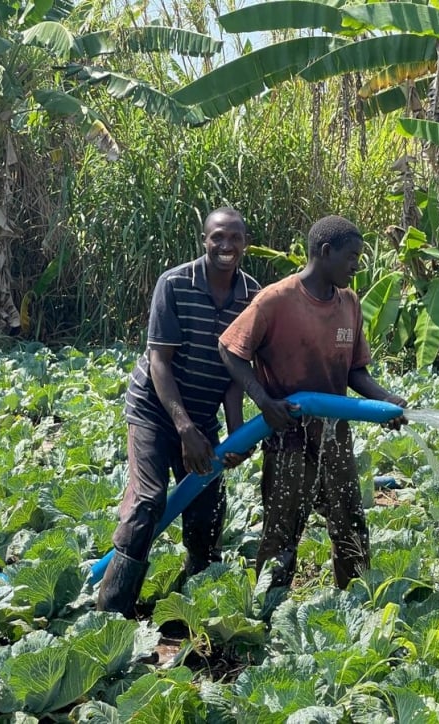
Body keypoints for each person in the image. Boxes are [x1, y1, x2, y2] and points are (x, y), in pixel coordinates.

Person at [218, 214, 407, 593]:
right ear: (325, 252)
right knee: (282, 531)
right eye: (352, 256)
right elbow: (230, 349)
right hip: (287, 434)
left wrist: (385, 401)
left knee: (350, 523)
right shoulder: (276, 300)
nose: (357, 265)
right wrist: (264, 401)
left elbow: (356, 372)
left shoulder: (350, 304)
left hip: (335, 436)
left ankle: (357, 605)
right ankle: (266, 612)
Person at [98, 207, 260, 617]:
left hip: (202, 414)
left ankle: (196, 599)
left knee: (207, 508)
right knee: (149, 502)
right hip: (155, 409)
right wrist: (184, 427)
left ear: (245, 242)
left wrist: (237, 433)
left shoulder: (251, 295)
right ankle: (110, 613)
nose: (227, 246)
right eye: (218, 237)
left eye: (235, 238)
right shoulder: (174, 283)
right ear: (204, 240)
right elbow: (160, 363)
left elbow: (234, 373)